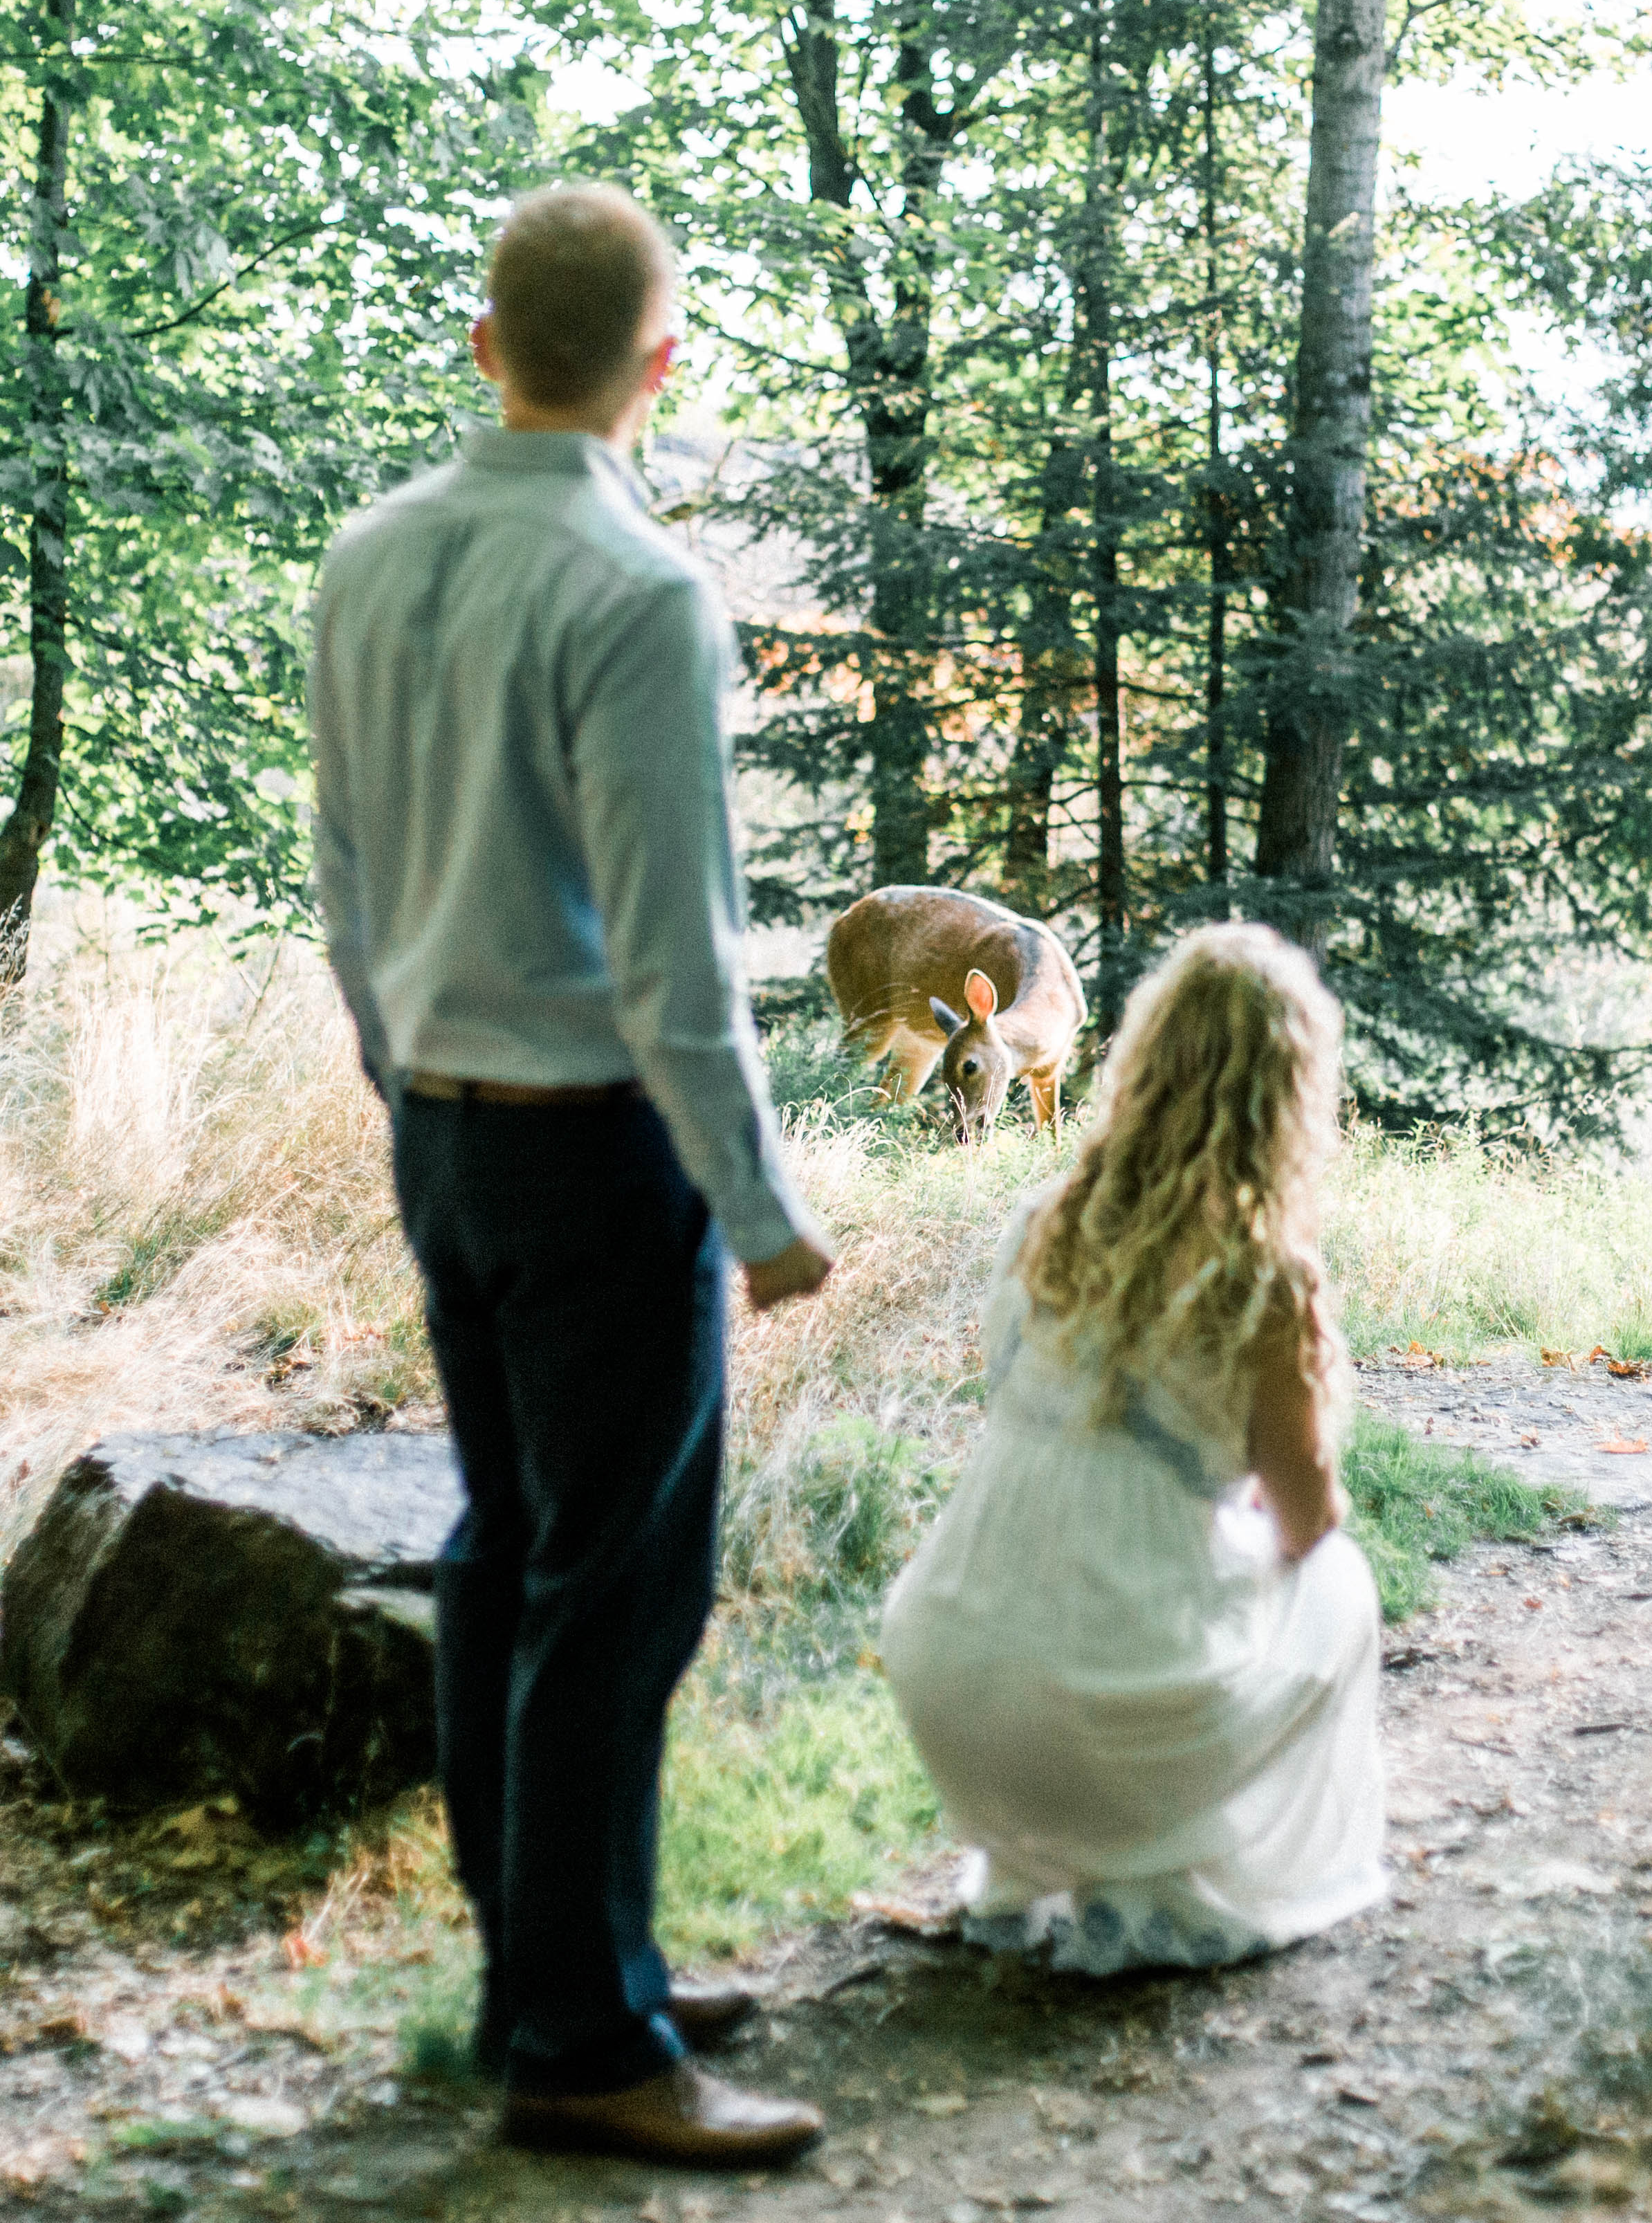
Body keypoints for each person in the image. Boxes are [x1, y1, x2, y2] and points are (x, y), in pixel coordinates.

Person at [310, 183, 833, 2167]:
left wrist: (403, 1085)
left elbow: (343, 876)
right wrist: (764, 1213)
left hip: (441, 1132)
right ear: (660, 364)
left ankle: (546, 1962)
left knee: (506, 1555)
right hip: (599, 1158)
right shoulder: (640, 593)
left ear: (483, 345)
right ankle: (588, 2050)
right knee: (611, 1592)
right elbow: (677, 961)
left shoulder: (372, 555)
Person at [880, 922, 1385, 1975]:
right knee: (1336, 1583)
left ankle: (1036, 1858)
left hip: (945, 1679)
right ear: (1289, 1098)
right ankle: (1160, 1862)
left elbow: (1035, 1429)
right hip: (1112, 1706)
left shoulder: (1036, 1223)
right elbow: (1308, 1517)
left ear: (1142, 1064)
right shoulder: (1264, 1281)